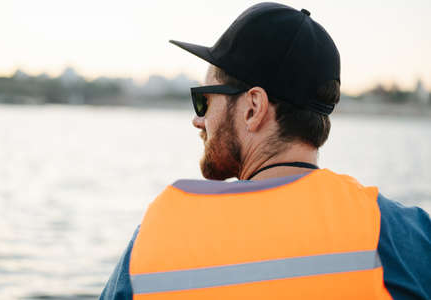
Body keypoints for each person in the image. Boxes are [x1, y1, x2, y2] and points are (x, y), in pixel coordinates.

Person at [100, 3, 430, 299]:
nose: (198, 120)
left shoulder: (159, 233)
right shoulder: (399, 233)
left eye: (204, 100)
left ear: (253, 107)